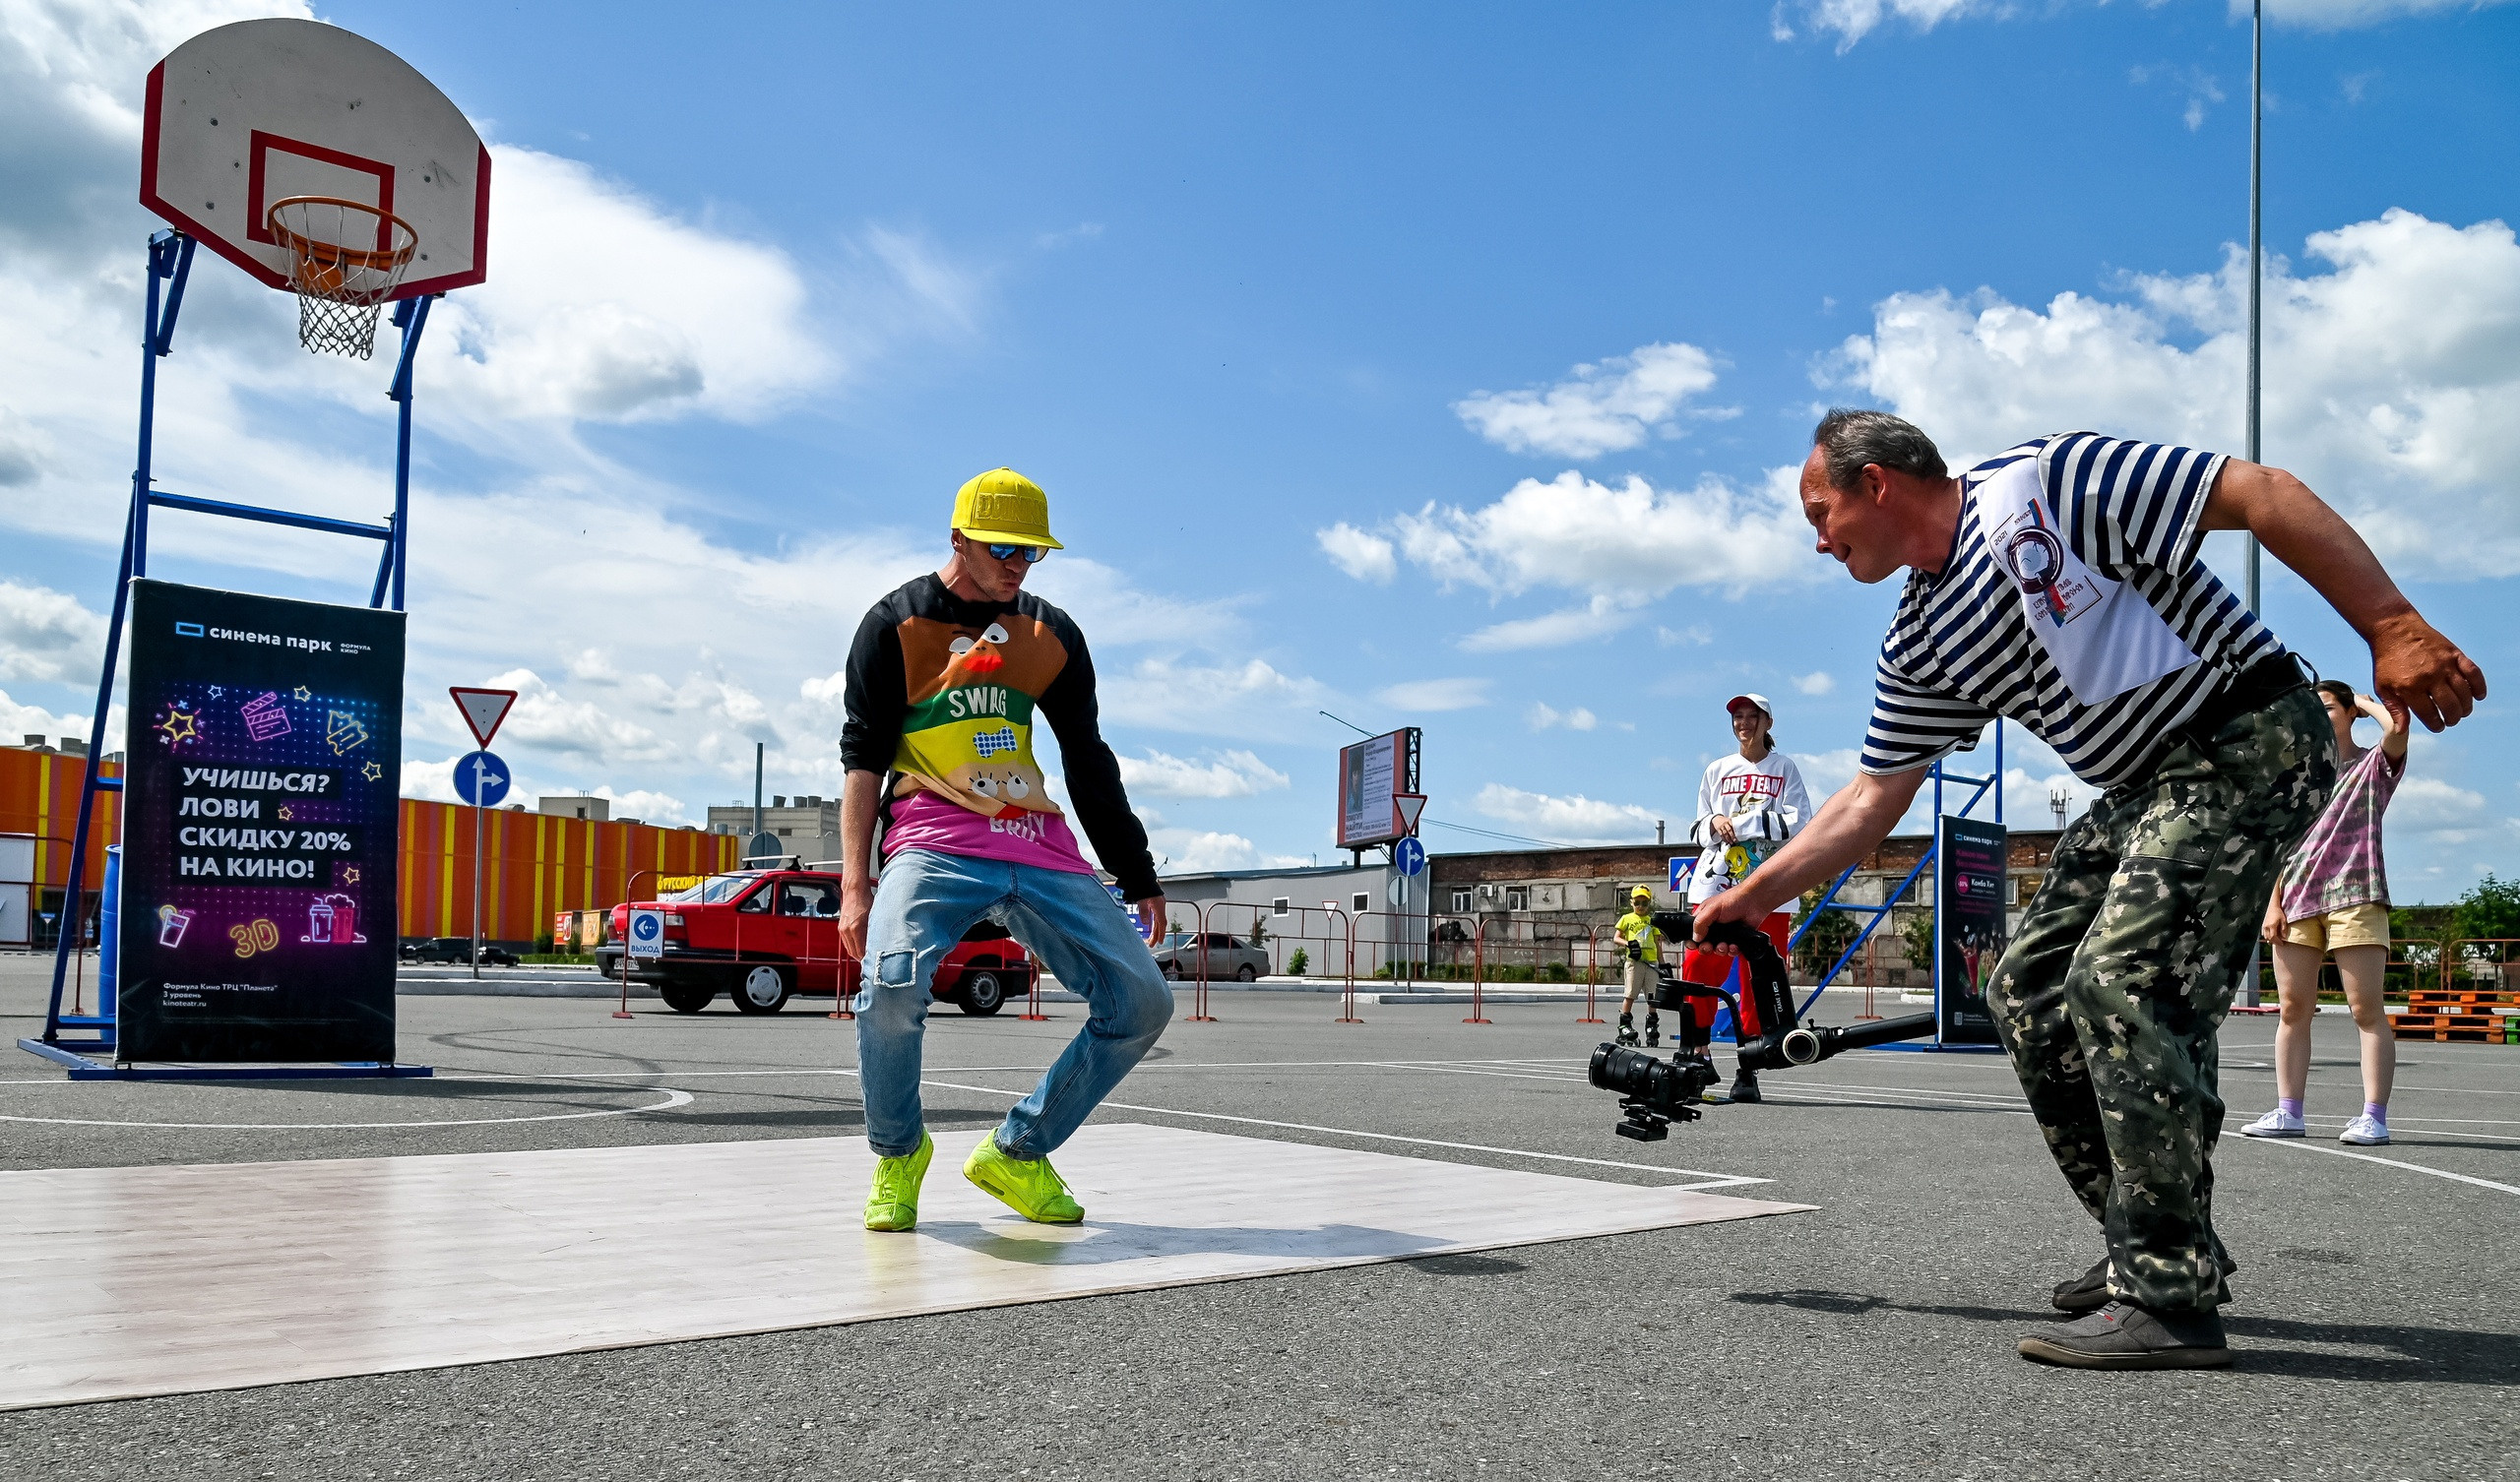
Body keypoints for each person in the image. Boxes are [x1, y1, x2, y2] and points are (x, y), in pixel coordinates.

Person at [1694, 409, 2484, 1371]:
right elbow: (1869, 799)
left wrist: (2392, 624)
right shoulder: (1919, 636)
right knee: (2024, 989)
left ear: (1877, 484)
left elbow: (2262, 494)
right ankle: (2152, 1239)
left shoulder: (2049, 484)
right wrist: (1744, 896)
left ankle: (2168, 1296)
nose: (1818, 541)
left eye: (1821, 512)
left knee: (2119, 980)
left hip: (2246, 737)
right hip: (2147, 787)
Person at [838, 466, 1171, 1232]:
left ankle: (1018, 1150)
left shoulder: (1050, 633)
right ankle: (898, 1156)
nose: (1018, 565)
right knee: (890, 988)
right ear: (958, 538)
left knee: (1143, 1002)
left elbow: (1086, 756)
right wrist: (856, 884)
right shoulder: (894, 624)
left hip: (1033, 839)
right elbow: (861, 760)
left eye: (1033, 553)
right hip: (932, 836)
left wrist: (1136, 869)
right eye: (1003, 549)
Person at [2244, 680, 2410, 1146]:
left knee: (2365, 1009)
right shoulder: (2296, 778)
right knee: (2293, 1010)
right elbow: (2280, 847)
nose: (2319, 717)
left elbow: (2397, 728)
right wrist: (2273, 902)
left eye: (2329, 709)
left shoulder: (2373, 767)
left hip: (2356, 895)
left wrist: (2363, 703)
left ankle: (2373, 1116)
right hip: (2296, 899)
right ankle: (2288, 1111)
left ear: (2349, 712)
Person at [1678, 694, 1811, 1099]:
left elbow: (1800, 822)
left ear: (1768, 722)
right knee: (1699, 964)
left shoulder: (1784, 768)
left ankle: (1749, 1066)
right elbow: (1697, 829)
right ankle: (1696, 1053)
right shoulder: (1716, 770)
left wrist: (1746, 821)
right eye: (1738, 716)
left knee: (1761, 975)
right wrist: (1715, 821)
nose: (1744, 723)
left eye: (1753, 717)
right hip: (1716, 882)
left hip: (1768, 884)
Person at [1613, 885, 1663, 1046]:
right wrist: (1628, 943)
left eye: (1644, 903)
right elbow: (1616, 938)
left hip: (1651, 962)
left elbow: (1657, 943)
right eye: (1637, 903)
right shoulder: (1627, 918)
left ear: (1649, 904)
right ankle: (1624, 1025)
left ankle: (1651, 1026)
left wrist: (1662, 964)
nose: (1640, 906)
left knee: (1652, 997)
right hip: (1635, 961)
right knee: (1630, 994)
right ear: (1632, 903)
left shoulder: (1652, 920)